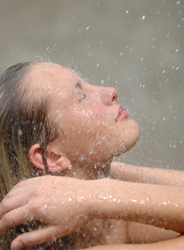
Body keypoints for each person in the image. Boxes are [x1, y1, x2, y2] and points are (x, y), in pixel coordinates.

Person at [0, 62, 184, 250]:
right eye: (82, 96)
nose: (111, 91)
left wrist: (94, 185)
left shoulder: (109, 222)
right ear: (50, 156)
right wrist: (92, 195)